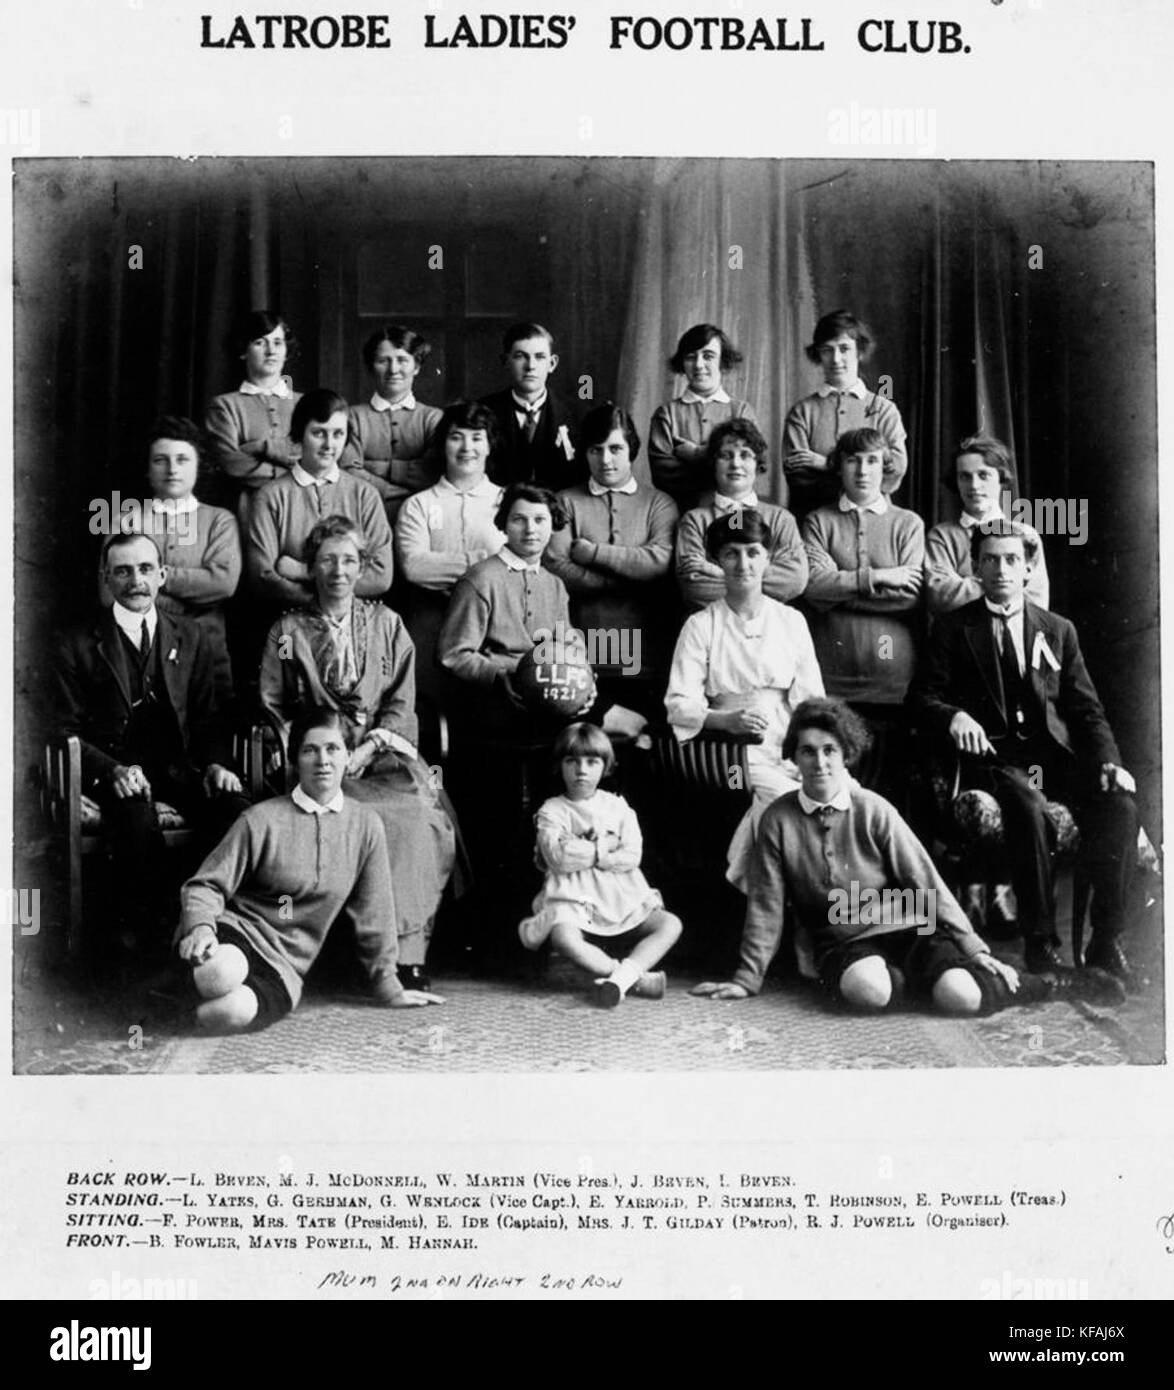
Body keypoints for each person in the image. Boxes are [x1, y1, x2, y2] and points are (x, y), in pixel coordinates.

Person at [691, 698, 1123, 1011]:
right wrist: (746, 980)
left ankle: (1048, 984)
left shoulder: (873, 809)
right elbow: (766, 905)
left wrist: (974, 950)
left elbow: (926, 882)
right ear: (793, 758)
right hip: (841, 940)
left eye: (830, 751)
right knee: (870, 991)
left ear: (847, 757)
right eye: (808, 751)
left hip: (909, 927)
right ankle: (901, 981)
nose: (819, 763)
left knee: (963, 996)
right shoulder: (777, 821)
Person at [908, 520, 1139, 982]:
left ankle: (1106, 940)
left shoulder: (1058, 630)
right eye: (990, 559)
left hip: (1053, 762)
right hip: (991, 764)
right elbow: (921, 699)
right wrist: (954, 716)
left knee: (1120, 805)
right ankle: (1041, 942)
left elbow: (1087, 711)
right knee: (1025, 802)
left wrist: (1110, 763)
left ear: (1029, 567)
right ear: (975, 567)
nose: (1001, 569)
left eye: (1012, 559)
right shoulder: (953, 629)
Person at [259, 515, 460, 988]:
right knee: (348, 817)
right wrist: (318, 748)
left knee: (414, 818)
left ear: (363, 566)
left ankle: (406, 956)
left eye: (348, 560)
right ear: (311, 567)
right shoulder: (287, 632)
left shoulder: (388, 625)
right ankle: (352, 958)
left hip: (382, 759)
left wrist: (370, 746)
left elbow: (402, 702)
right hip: (318, 763)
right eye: (327, 560)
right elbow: (275, 705)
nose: (338, 571)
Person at [175, 707, 444, 1032]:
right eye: (309, 750)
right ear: (294, 760)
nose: (323, 761)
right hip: (237, 935)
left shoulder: (366, 825)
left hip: (286, 967)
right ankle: (173, 990)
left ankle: (172, 1008)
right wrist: (200, 927)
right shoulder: (261, 819)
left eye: (333, 749)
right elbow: (206, 885)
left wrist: (389, 985)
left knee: (234, 1010)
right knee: (222, 973)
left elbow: (377, 911)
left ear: (349, 757)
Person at [55, 531, 249, 951]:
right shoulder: (77, 642)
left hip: (179, 768)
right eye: (122, 571)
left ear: (161, 575)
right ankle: (140, 944)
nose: (135, 580)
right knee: (134, 823)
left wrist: (217, 763)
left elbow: (210, 717)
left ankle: (224, 933)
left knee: (236, 813)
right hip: (114, 773)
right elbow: (64, 730)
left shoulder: (192, 636)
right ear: (106, 578)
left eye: (144, 569)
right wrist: (112, 770)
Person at [666, 510, 824, 890]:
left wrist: (810, 749)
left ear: (767, 558)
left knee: (853, 798)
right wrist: (726, 721)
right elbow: (679, 702)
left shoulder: (790, 621)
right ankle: (803, 910)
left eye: (753, 552)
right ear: (718, 560)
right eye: (732, 553)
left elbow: (812, 701)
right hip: (734, 751)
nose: (743, 564)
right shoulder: (702, 624)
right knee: (791, 803)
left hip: (790, 739)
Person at [518, 722, 682, 1007]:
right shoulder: (552, 810)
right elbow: (559, 859)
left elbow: (632, 855)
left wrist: (581, 848)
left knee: (670, 924)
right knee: (563, 937)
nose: (582, 770)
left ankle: (620, 980)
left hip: (619, 894)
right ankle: (626, 977)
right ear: (561, 765)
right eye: (572, 761)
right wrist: (604, 846)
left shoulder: (617, 806)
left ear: (605, 766)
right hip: (572, 897)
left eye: (592, 762)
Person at [802, 427, 924, 800]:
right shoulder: (818, 521)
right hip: (830, 676)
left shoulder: (908, 523)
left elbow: (909, 597)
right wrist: (880, 578)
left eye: (872, 461)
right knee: (835, 784)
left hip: (891, 678)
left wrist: (840, 590)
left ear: (885, 466)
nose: (862, 470)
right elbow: (812, 587)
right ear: (838, 467)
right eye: (853, 460)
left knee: (887, 787)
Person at [544, 403, 679, 707]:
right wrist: (629, 578)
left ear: (631, 449)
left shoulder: (659, 504)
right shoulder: (565, 502)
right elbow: (556, 569)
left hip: (645, 653)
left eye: (615, 448)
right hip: (581, 651)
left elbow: (659, 563)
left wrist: (593, 553)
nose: (606, 460)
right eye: (595, 450)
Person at [99, 416, 241, 700]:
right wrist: (193, 596)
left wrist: (149, 580)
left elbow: (223, 584)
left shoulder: (219, 521)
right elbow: (108, 594)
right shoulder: (125, 520)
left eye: (183, 459)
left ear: (199, 466)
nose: (172, 469)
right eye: (160, 460)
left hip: (207, 656)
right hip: (139, 653)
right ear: (148, 469)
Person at [394, 400, 506, 698]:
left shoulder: (509, 502)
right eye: (456, 437)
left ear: (489, 446)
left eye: (476, 437)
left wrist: (446, 566)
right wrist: (484, 561)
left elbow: (515, 571)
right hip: (432, 624)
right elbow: (414, 568)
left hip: (495, 628)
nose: (466, 447)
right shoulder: (418, 504)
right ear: (444, 445)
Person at [437, 481, 573, 724]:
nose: (530, 529)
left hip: (544, 693)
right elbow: (454, 655)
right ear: (504, 525)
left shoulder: (555, 586)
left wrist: (581, 678)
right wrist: (499, 677)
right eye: (519, 519)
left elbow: (566, 649)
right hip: (493, 699)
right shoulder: (480, 578)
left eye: (540, 520)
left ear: (553, 526)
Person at [247, 388, 394, 612]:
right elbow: (264, 577)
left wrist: (303, 571)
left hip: (352, 621)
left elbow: (381, 575)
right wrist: (323, 600)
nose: (329, 445)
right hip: (288, 622)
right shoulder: (271, 496)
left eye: (338, 434)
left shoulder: (365, 495)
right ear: (299, 436)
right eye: (319, 433)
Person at [783, 309, 908, 518]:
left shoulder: (884, 410)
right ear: (818, 355)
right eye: (827, 350)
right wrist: (865, 474)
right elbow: (799, 476)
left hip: (873, 521)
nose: (836, 359)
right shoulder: (802, 412)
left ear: (859, 351)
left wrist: (825, 464)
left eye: (844, 349)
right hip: (813, 519)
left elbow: (896, 468)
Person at [674, 417, 807, 612]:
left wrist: (719, 573)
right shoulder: (694, 521)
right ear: (714, 463)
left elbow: (795, 579)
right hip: (712, 630)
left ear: (757, 463)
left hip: (767, 629)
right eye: (726, 456)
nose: (735, 464)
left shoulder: (781, 519)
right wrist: (757, 577)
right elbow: (694, 584)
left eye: (745, 455)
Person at [926, 434, 1049, 616]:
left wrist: (966, 585)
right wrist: (1006, 585)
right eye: (965, 477)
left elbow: (1036, 603)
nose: (974, 485)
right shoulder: (942, 536)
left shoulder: (1025, 534)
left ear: (1001, 478)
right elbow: (940, 595)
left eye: (983, 475)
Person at [205, 309, 302, 525]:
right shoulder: (224, 406)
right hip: (249, 510)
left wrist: (257, 447)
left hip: (301, 506)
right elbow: (232, 463)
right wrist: (289, 469)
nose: (271, 351)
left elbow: (311, 456)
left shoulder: (305, 404)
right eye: (260, 342)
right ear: (243, 351)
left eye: (278, 343)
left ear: (286, 350)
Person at [340, 324, 444, 524]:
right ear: (371, 367)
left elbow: (431, 473)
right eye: (383, 361)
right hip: (363, 517)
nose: (393, 369)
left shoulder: (433, 419)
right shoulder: (351, 417)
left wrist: (373, 467)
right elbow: (349, 473)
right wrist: (400, 489)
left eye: (402, 360)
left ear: (417, 366)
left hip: (423, 519)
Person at [648, 323, 758, 510]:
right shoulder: (667, 414)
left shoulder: (741, 411)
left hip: (734, 513)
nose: (699, 365)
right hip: (679, 513)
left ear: (722, 361)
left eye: (708, 356)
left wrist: (695, 454)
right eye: (691, 357)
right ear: (682, 363)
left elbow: (748, 465)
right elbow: (663, 475)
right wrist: (719, 463)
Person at [480, 321, 583, 491]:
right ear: (505, 361)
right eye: (520, 356)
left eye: (540, 357)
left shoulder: (576, 415)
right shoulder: (484, 412)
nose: (530, 366)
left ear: (552, 364)